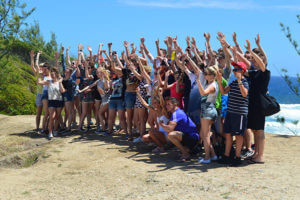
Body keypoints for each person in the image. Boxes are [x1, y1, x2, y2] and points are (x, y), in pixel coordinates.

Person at [217, 61, 249, 166]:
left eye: (236, 69)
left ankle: (237, 157)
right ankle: (227, 156)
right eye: (234, 69)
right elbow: (223, 92)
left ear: (242, 71)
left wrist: (240, 81)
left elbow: (244, 94)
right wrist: (219, 80)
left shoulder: (244, 82)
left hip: (239, 113)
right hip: (230, 112)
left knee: (239, 135)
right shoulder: (233, 82)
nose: (234, 71)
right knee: (228, 134)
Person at [159, 97, 199, 161]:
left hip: (192, 138)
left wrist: (161, 124)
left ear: (175, 104)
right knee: (169, 134)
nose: (167, 106)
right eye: (166, 104)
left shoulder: (177, 113)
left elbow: (169, 129)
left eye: (168, 104)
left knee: (171, 135)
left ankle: (185, 154)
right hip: (190, 137)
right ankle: (188, 150)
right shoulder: (175, 112)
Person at [196, 65, 219, 164]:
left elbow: (203, 93)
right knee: (203, 134)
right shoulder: (212, 83)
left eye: (206, 74)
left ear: (212, 75)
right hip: (209, 109)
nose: (204, 75)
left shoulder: (212, 85)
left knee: (205, 135)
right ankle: (213, 155)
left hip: (207, 109)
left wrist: (198, 82)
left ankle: (207, 157)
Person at [38, 67, 65, 139]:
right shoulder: (49, 82)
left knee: (57, 116)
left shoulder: (59, 82)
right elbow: (39, 82)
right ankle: (50, 132)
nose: (52, 76)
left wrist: (60, 82)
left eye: (53, 74)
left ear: (56, 75)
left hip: (59, 101)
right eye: (51, 74)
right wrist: (39, 75)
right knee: (52, 117)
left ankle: (55, 130)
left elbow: (62, 91)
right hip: (51, 101)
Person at [30, 50, 43, 133]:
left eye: (42, 67)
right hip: (40, 94)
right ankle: (38, 128)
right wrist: (33, 57)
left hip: (46, 94)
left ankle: (45, 127)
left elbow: (36, 65)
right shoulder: (38, 74)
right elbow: (33, 65)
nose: (40, 68)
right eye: (40, 67)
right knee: (38, 112)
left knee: (48, 113)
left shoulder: (46, 74)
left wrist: (37, 55)